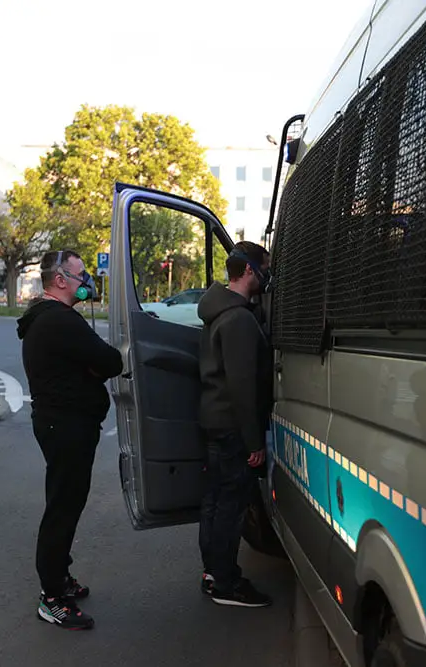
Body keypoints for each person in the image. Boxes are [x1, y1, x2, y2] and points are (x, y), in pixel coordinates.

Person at [16, 249, 123, 630]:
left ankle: (60, 577)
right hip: (66, 427)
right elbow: (111, 361)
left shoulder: (47, 318)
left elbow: (97, 362)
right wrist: (94, 367)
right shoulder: (60, 321)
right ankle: (52, 597)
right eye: (80, 275)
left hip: (62, 424)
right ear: (60, 280)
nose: (87, 282)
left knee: (67, 502)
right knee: (62, 507)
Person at [196, 240, 274, 607]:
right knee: (231, 507)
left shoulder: (218, 311)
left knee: (214, 503)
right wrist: (254, 441)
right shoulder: (239, 320)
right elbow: (243, 386)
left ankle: (213, 573)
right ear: (247, 271)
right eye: (264, 269)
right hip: (233, 426)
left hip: (215, 421)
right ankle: (227, 583)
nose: (267, 276)